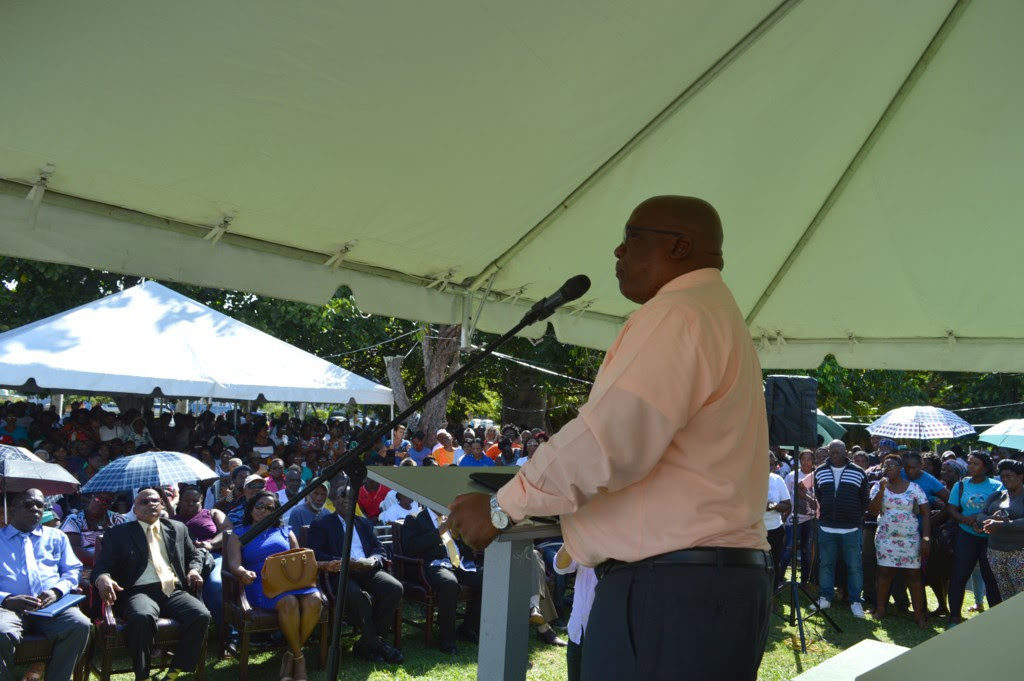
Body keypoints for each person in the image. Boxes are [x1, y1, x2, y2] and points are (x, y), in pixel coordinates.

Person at [445, 196, 772, 681]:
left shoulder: (677, 314)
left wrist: (501, 508)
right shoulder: (715, 314)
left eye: (632, 237)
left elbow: (609, 440)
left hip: (672, 591)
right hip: (709, 586)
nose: (618, 251)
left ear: (680, 246)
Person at [92, 488, 210, 681]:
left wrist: (194, 570)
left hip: (172, 589)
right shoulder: (119, 534)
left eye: (155, 501)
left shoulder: (177, 528)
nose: (151, 504)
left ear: (162, 505)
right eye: (144, 502)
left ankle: (174, 672)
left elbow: (195, 554)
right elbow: (101, 567)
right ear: (135, 509)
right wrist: (103, 578)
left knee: (201, 614)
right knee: (142, 617)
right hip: (138, 591)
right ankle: (142, 674)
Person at [224, 492, 324, 681]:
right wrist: (243, 573)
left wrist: (323, 565)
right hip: (259, 583)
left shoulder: (285, 531)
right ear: (251, 508)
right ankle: (299, 660)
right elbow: (234, 564)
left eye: (270, 508)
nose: (263, 510)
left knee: (315, 600)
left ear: (276, 512)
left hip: (290, 581)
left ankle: (291, 654)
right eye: (259, 506)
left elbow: (299, 559)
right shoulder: (240, 533)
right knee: (289, 602)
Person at [0, 489, 91, 681]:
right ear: (12, 509)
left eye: (40, 505)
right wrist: (6, 599)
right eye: (28, 504)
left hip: (51, 607)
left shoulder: (57, 536)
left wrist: (56, 591)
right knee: (1, 631)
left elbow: (73, 569)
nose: (35, 509)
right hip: (8, 608)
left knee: (80, 624)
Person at [307, 486, 403, 664]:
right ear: (334, 501)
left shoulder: (363, 523)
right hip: (340, 573)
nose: (346, 500)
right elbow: (315, 554)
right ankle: (377, 645)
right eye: (342, 496)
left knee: (394, 587)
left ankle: (367, 643)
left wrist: (373, 560)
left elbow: (379, 548)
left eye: (351, 497)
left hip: (367, 569)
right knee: (358, 596)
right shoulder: (322, 524)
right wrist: (344, 561)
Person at [400, 506, 483, 654]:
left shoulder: (451, 517)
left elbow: (463, 544)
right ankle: (447, 640)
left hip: (459, 564)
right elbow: (410, 547)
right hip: (434, 565)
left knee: (487, 578)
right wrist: (438, 531)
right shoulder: (414, 519)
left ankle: (469, 628)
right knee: (449, 584)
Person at [868, 454, 931, 627]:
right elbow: (872, 511)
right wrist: (882, 490)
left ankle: (919, 614)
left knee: (913, 575)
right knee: (884, 573)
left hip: (910, 539)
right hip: (885, 538)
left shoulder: (914, 488)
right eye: (885, 466)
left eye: (891, 466)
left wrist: (926, 539)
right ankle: (881, 609)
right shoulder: (878, 486)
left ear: (900, 468)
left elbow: (926, 513)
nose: (887, 469)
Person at [812, 439, 870, 617]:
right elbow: (819, 495)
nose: (835, 455)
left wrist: (854, 517)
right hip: (827, 527)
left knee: (854, 566)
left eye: (839, 452)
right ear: (828, 452)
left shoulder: (858, 472)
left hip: (851, 528)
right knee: (826, 564)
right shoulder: (820, 471)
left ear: (846, 452)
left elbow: (864, 499)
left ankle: (855, 601)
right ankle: (825, 598)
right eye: (832, 452)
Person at [946, 451, 1004, 625]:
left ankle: (996, 620)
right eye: (969, 463)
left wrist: (980, 518)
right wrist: (965, 520)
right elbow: (951, 508)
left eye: (975, 463)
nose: (970, 466)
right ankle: (954, 617)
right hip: (966, 535)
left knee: (991, 578)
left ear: (985, 468)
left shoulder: (996, 486)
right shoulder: (960, 485)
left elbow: (1000, 509)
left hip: (989, 537)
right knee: (959, 576)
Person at [173, 486, 227, 627]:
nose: (191, 504)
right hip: (184, 561)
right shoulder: (173, 520)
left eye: (195, 500)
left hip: (213, 556)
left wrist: (211, 544)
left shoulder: (212, 513)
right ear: (180, 501)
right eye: (187, 501)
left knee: (215, 584)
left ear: (201, 500)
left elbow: (228, 531)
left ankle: (225, 630)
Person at [979, 459, 1024, 600]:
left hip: (1019, 553)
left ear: (1021, 476)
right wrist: (991, 518)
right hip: (995, 552)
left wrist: (1002, 523)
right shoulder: (997, 495)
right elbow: (981, 516)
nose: (1005, 480)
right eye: (1002, 476)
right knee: (1005, 593)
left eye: (1009, 476)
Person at [553, 545, 597, 681]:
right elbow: (560, 566)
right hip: (578, 629)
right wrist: (573, 537)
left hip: (611, 634)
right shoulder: (584, 537)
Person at [60, 492, 125, 567]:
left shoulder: (118, 520)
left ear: (111, 504)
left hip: (115, 564)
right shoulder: (75, 519)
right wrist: (102, 563)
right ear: (92, 496)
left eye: (108, 501)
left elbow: (126, 544)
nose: (101, 503)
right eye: (99, 498)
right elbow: (72, 549)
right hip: (84, 566)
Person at [782, 449, 817, 585]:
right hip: (793, 518)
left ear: (813, 461)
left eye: (809, 459)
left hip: (810, 519)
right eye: (803, 459)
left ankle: (804, 582)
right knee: (789, 548)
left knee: (806, 551)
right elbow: (785, 496)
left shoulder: (817, 476)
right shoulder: (792, 476)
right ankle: (780, 578)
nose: (806, 462)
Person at [765, 453, 792, 589]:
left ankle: (772, 593)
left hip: (774, 530)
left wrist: (773, 506)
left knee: (774, 563)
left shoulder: (777, 480)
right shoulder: (748, 479)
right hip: (754, 530)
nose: (769, 467)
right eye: (765, 464)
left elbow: (787, 505)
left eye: (772, 464)